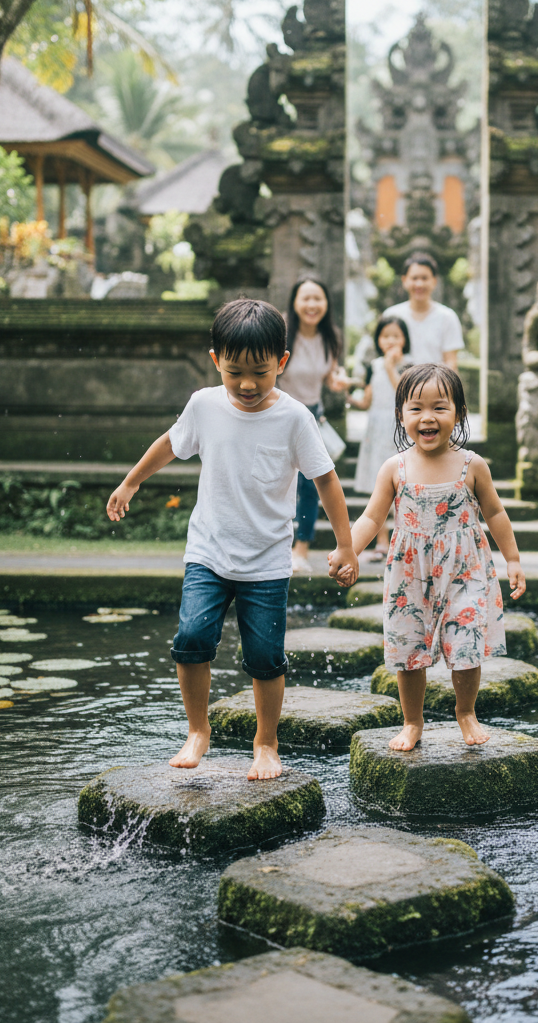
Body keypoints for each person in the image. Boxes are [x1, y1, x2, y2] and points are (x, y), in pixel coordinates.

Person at [106, 299, 359, 780]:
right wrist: (131, 481)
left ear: (281, 364)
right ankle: (198, 730)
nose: (246, 384)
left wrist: (345, 544)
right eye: (234, 371)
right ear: (215, 360)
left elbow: (326, 480)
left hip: (266, 560)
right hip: (209, 552)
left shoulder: (294, 419)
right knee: (191, 637)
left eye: (260, 373)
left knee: (264, 656)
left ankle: (266, 743)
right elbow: (170, 443)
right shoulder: (204, 404)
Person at [331, 363, 526, 752]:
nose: (428, 417)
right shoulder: (395, 468)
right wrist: (348, 549)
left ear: (459, 413)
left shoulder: (473, 465)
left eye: (440, 407)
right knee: (408, 648)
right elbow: (372, 517)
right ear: (401, 415)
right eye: (416, 408)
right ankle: (412, 721)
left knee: (466, 645)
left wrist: (513, 559)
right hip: (410, 574)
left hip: (464, 569)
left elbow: (496, 514)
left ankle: (466, 711)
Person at [277, 276, 350, 572]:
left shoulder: (332, 336)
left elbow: (329, 379)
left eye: (317, 299)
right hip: (279, 413)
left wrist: (339, 382)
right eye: (305, 298)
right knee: (276, 480)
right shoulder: (279, 330)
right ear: (294, 302)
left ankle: (301, 551)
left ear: (326, 304)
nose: (311, 305)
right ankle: (273, 548)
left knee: (310, 485)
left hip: (311, 418)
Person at [347, 316, 412, 561]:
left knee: (403, 484)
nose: (391, 340)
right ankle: (382, 542)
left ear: (405, 339)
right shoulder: (373, 365)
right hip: (377, 429)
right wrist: (346, 394)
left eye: (396, 335)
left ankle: (403, 539)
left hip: (400, 428)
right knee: (380, 487)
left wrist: (390, 367)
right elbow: (367, 401)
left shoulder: (410, 364)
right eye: (386, 336)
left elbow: (405, 394)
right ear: (378, 340)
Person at [382, 252, 464, 369]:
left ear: (434, 281)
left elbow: (451, 363)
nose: (419, 284)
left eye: (424, 278)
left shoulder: (447, 317)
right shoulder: (391, 315)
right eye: (414, 278)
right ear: (404, 280)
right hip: (397, 385)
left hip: (434, 386)